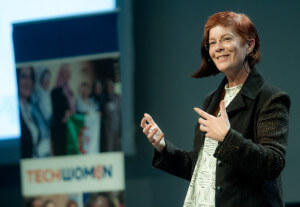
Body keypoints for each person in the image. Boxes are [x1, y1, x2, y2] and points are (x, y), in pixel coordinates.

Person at [140, 11, 290, 207]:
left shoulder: (270, 98)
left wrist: (228, 137)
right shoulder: (212, 100)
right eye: (212, 43)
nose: (218, 48)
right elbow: (201, 167)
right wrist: (163, 147)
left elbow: (273, 163)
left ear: (249, 45)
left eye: (226, 39)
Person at [17, 66, 40, 158]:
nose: (28, 82)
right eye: (23, 76)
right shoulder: (10, 112)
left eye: (30, 77)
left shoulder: (32, 109)